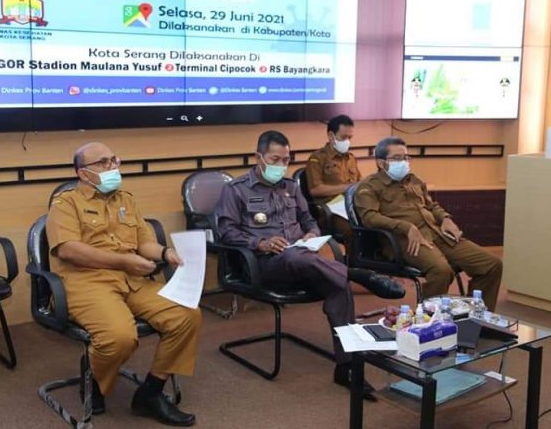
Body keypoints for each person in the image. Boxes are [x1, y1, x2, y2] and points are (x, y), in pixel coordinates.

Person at [215, 130, 403, 400]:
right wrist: (261, 243)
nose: (281, 166)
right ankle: (356, 273)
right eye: (275, 160)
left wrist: (311, 234)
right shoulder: (236, 190)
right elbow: (226, 231)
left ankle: (346, 367)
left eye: (286, 160)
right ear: (259, 157)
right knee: (298, 258)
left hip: (305, 260)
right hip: (263, 265)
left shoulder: (291, 187)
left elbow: (309, 220)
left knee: (338, 286)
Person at [46, 142, 201, 426]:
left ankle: (150, 393)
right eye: (103, 162)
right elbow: (68, 250)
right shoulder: (65, 203)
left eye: (114, 160)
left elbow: (144, 242)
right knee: (119, 337)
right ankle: (95, 374)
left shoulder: (126, 200)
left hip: (131, 279)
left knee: (186, 315)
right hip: (87, 282)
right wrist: (123, 261)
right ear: (83, 173)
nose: (112, 166)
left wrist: (165, 253)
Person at [353, 136, 503, 310]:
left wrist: (445, 218)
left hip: (436, 233)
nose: (403, 162)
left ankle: (476, 316)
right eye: (397, 158)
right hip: (404, 240)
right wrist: (405, 227)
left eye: (406, 157)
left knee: (491, 265)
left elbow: (432, 206)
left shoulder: (413, 180)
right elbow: (369, 218)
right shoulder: (369, 186)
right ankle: (427, 318)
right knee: (441, 271)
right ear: (381, 163)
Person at [306, 114, 361, 242]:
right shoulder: (317, 158)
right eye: (344, 137)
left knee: (373, 221)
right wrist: (347, 188)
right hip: (331, 209)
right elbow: (315, 190)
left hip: (352, 204)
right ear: (331, 136)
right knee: (353, 229)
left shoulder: (351, 158)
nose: (347, 141)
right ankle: (353, 255)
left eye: (350, 137)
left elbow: (359, 183)